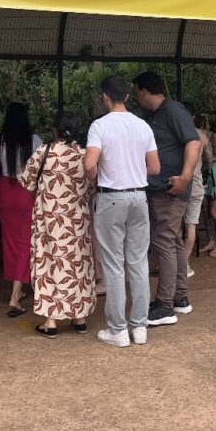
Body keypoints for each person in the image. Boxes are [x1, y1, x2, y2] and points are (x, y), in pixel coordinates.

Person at [84, 75, 160, 347]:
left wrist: (95, 177)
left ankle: (117, 329)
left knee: (114, 266)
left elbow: (89, 163)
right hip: (139, 197)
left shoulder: (99, 126)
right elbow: (155, 168)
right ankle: (139, 327)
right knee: (138, 262)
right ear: (127, 96)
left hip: (111, 199)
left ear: (105, 97)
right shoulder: (143, 126)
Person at [18, 114, 96, 338]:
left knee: (49, 265)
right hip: (77, 222)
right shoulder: (84, 155)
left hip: (48, 220)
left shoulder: (43, 152)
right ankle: (79, 318)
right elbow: (93, 186)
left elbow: (26, 182)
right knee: (77, 266)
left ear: (55, 131)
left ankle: (50, 321)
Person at [133, 72, 201, 328]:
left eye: (137, 92)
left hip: (170, 188)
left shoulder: (172, 109)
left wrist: (184, 177)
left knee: (163, 241)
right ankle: (179, 297)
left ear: (144, 91)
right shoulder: (154, 115)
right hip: (161, 188)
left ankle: (164, 305)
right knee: (172, 241)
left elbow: (192, 143)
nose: (137, 97)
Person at [0, 103, 42, 316]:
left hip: (6, 193)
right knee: (26, 242)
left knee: (10, 243)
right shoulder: (35, 141)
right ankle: (15, 296)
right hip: (26, 192)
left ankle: (17, 290)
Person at [181, 103, 209, 278]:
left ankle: (173, 263)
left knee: (174, 227)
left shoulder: (178, 133)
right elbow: (209, 159)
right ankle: (184, 264)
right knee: (191, 224)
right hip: (197, 183)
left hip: (179, 184)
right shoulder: (201, 135)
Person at [197, 116, 216, 258]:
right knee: (206, 211)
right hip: (205, 175)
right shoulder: (196, 137)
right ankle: (211, 240)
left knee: (215, 212)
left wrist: (204, 158)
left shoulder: (212, 136)